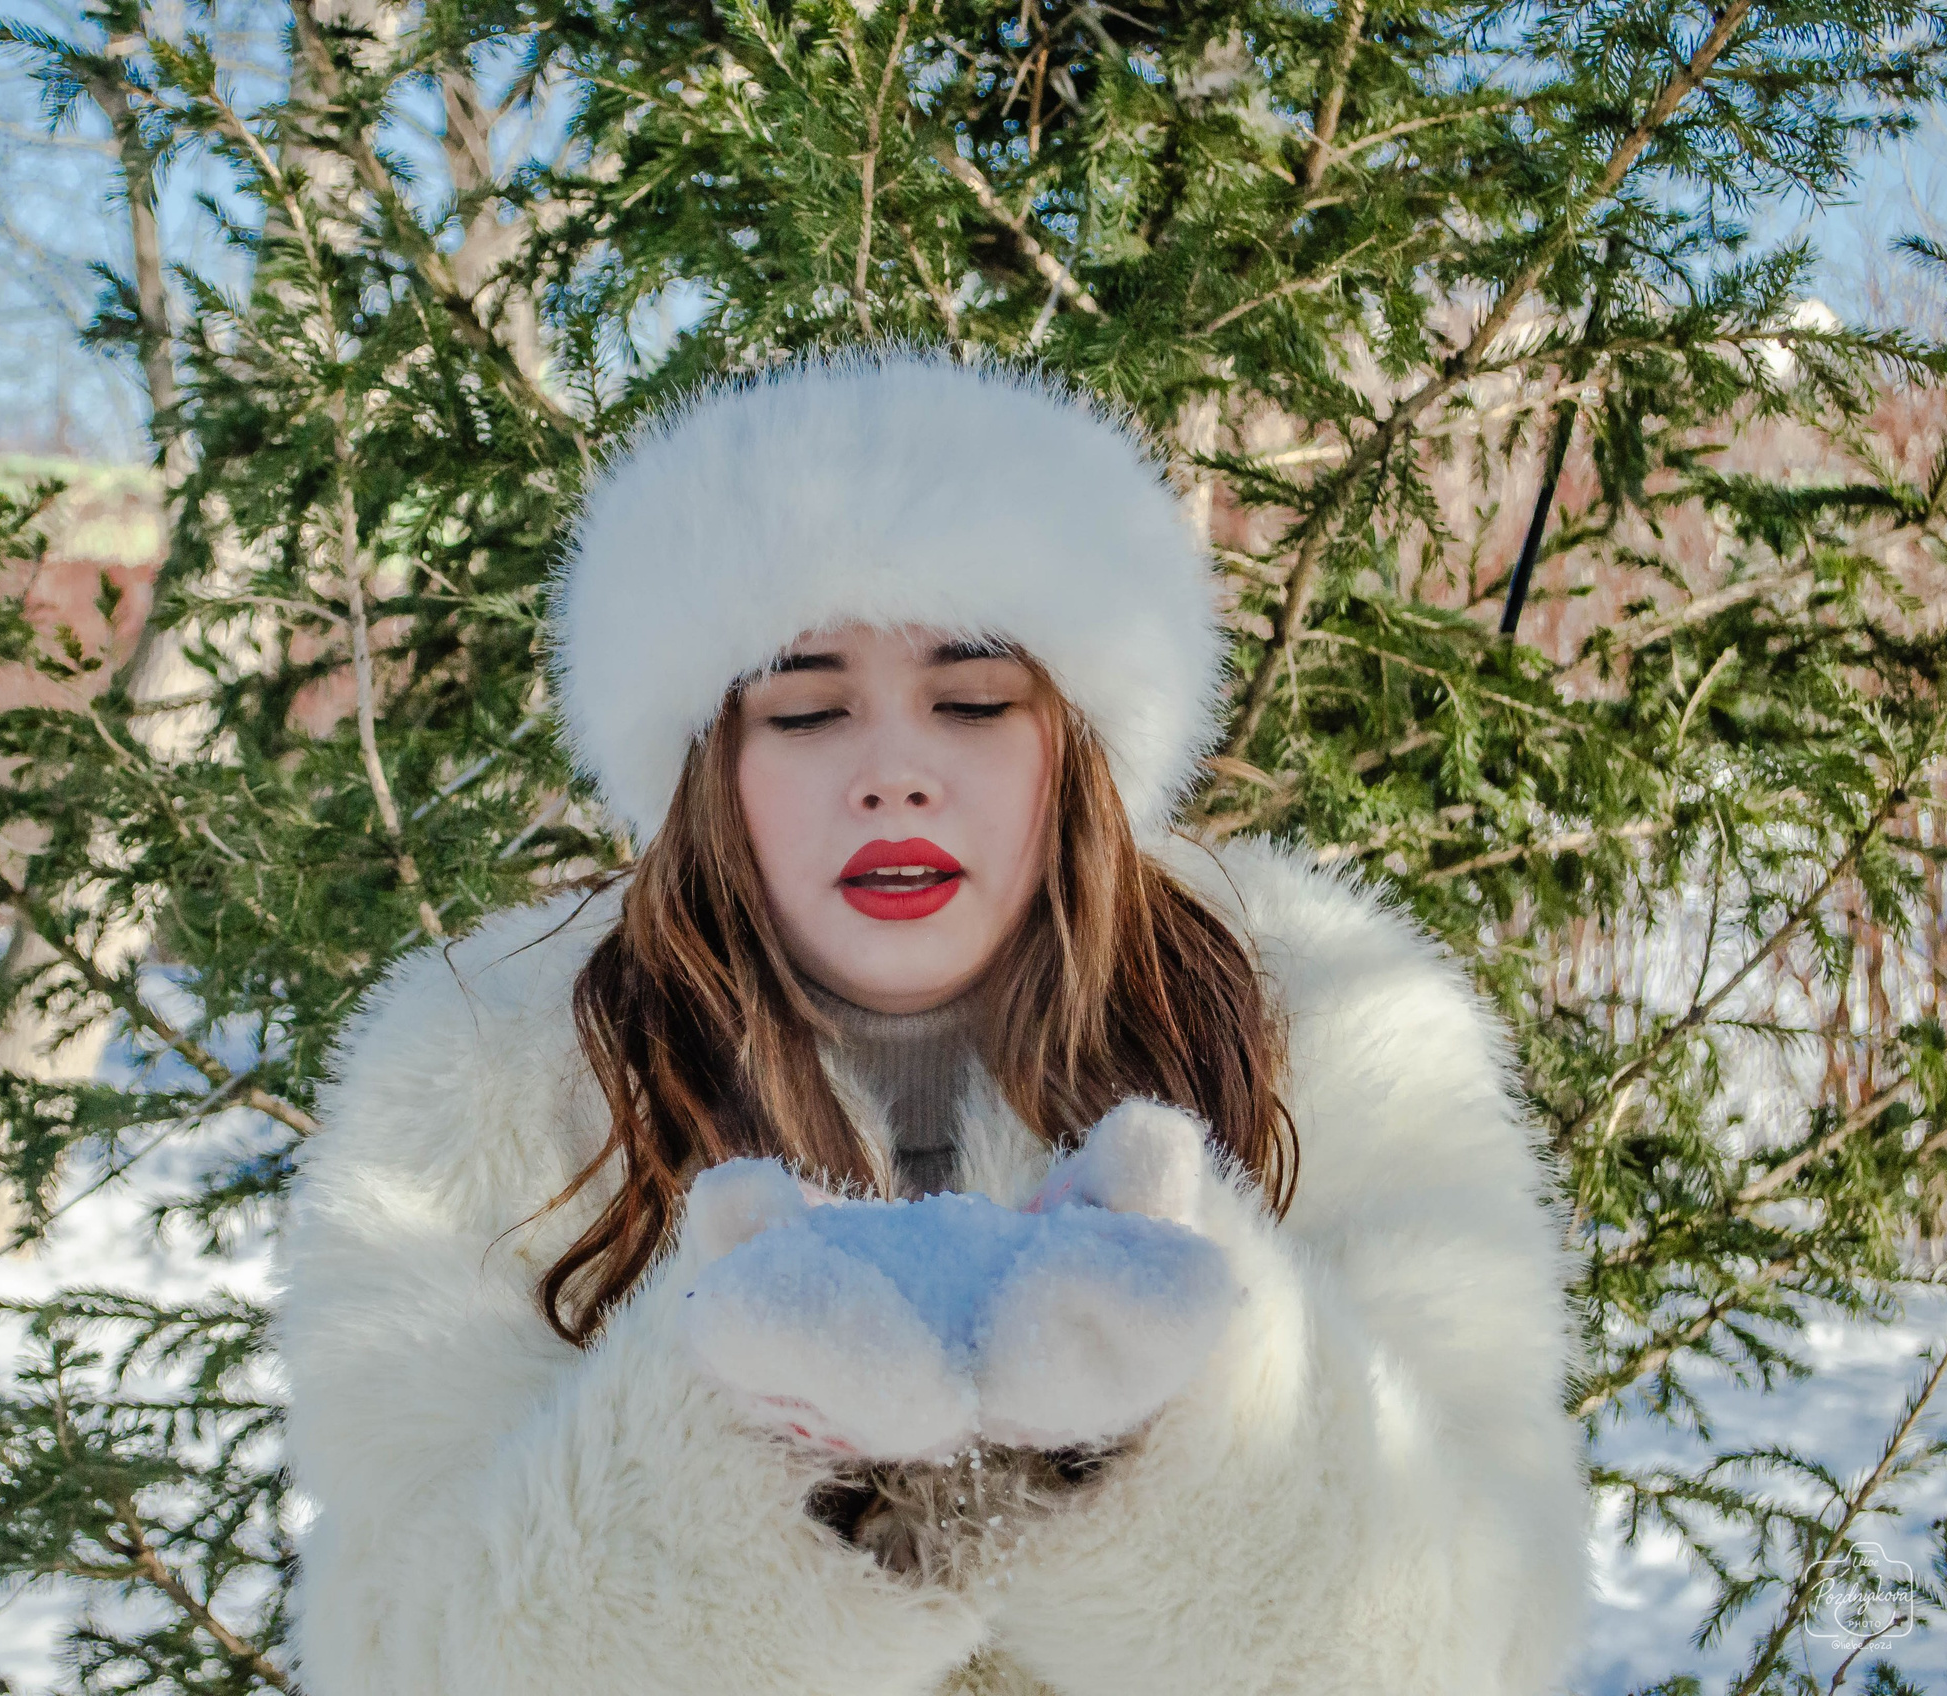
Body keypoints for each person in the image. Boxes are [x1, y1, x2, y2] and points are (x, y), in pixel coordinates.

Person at [273, 353, 1590, 1696]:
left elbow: (1478, 1639)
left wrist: (1174, 1424)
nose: (894, 775)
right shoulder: (489, 1078)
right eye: (805, 709)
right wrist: (733, 1445)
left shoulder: (1336, 1031)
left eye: (970, 702)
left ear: (1074, 744)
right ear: (709, 764)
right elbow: (406, 1653)